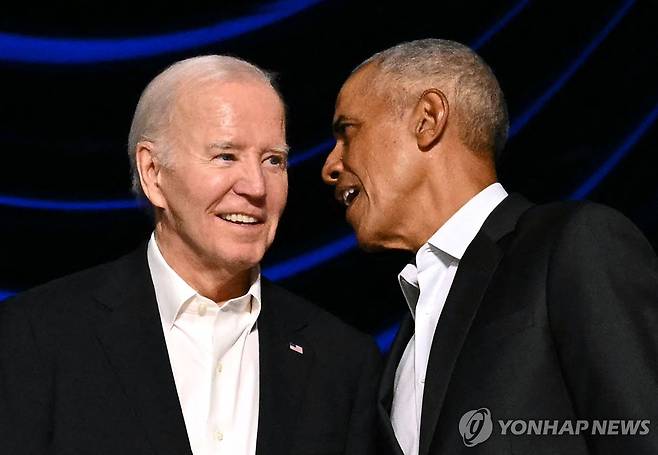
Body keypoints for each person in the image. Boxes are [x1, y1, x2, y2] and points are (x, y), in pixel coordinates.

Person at [0, 55, 381, 455]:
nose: (255, 186)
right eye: (226, 156)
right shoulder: (36, 337)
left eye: (274, 160)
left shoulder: (342, 362)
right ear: (153, 172)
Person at [321, 39, 658, 454]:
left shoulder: (572, 243)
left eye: (347, 133)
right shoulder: (400, 349)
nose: (330, 166)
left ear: (428, 119)